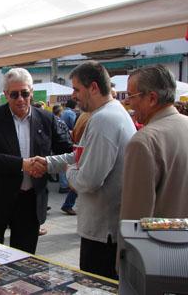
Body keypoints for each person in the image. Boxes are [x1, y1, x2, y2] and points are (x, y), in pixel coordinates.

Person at [31, 62, 136, 279]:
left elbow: (88, 180)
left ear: (94, 88)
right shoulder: (107, 114)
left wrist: (68, 171)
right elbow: (81, 155)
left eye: (77, 89)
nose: (73, 95)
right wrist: (49, 162)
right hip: (104, 229)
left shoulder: (104, 119)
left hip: (103, 232)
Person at [0, 67, 72, 254]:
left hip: (30, 202)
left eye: (24, 93)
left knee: (25, 259)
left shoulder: (47, 119)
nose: (20, 99)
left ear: (31, 93)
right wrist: (22, 164)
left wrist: (46, 163)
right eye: (14, 94)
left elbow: (66, 150)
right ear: (6, 94)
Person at [120, 64, 188, 220]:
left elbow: (134, 220)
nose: (128, 102)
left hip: (163, 242)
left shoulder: (144, 141)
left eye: (131, 96)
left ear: (151, 98)